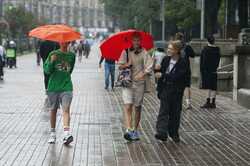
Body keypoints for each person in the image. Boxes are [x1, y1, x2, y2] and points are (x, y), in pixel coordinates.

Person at [118, 32, 153, 141]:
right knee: (128, 106)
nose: (136, 42)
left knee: (137, 107)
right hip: (127, 82)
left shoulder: (144, 52)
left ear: (140, 41)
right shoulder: (126, 52)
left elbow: (149, 66)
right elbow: (120, 66)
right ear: (131, 41)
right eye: (134, 40)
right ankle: (128, 129)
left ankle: (135, 130)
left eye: (138, 40)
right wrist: (126, 65)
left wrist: (142, 74)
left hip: (140, 83)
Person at [155, 40, 189, 143]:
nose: (168, 50)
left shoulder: (183, 62)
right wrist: (156, 70)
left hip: (177, 90)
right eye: (168, 48)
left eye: (171, 49)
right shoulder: (165, 59)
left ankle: (174, 133)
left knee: (175, 112)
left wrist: (163, 75)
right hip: (166, 89)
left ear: (177, 50)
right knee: (163, 111)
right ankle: (161, 132)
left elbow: (177, 76)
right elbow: (160, 74)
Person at [44, 42, 75, 145]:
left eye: (67, 41)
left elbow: (70, 71)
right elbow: (47, 71)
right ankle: (52, 134)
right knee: (53, 110)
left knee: (66, 109)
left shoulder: (72, 56)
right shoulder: (53, 54)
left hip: (66, 86)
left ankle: (66, 135)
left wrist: (64, 76)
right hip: (53, 87)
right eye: (63, 41)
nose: (65, 43)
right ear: (59, 42)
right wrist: (52, 61)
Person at [175, 32, 195, 110]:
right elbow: (193, 55)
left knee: (177, 86)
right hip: (186, 69)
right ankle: (188, 103)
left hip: (176, 69)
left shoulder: (174, 46)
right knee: (187, 86)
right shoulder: (187, 46)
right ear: (182, 38)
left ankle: (177, 103)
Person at [200, 35, 221, 109]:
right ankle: (213, 102)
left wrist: (202, 70)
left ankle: (208, 102)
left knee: (208, 86)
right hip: (214, 70)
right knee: (214, 86)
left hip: (207, 71)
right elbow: (218, 59)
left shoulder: (205, 49)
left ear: (207, 41)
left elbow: (203, 61)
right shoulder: (217, 49)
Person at [40, 40, 60, 111]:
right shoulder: (56, 43)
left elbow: (41, 54)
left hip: (45, 62)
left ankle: (47, 90)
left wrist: (44, 59)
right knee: (54, 76)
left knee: (46, 77)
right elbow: (59, 53)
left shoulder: (43, 43)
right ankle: (54, 90)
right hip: (54, 64)